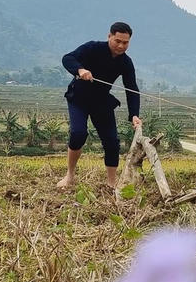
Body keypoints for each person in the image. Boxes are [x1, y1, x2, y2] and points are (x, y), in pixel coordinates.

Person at [57, 22, 142, 190]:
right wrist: (80, 70)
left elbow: (132, 88)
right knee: (78, 134)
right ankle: (70, 176)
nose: (121, 46)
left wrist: (134, 114)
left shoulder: (126, 62)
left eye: (125, 43)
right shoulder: (92, 48)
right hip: (79, 98)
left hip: (102, 101)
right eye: (117, 41)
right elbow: (67, 58)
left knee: (112, 143)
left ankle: (111, 183)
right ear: (109, 36)